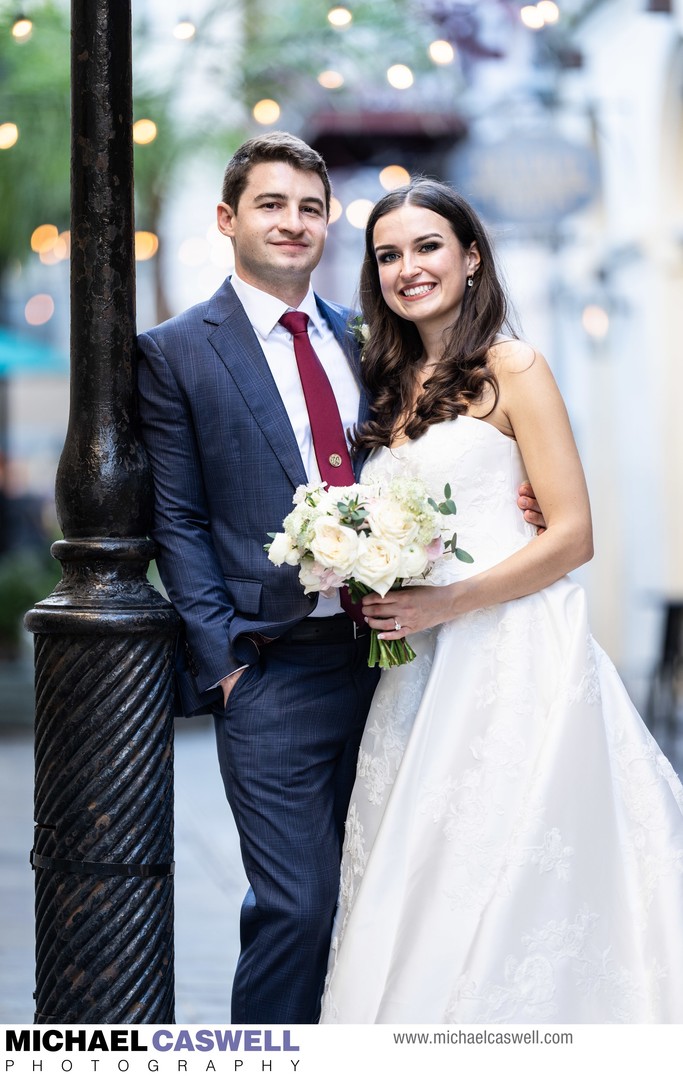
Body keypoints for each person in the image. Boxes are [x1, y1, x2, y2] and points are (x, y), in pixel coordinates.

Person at [136, 133, 544, 1024]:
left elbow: (433, 460)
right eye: (271, 204)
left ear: (328, 224)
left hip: (398, 664)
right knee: (298, 904)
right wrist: (227, 666)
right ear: (227, 218)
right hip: (271, 666)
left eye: (310, 207)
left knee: (386, 900)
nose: (292, 222)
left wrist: (512, 508)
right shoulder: (174, 351)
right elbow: (177, 519)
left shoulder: (371, 343)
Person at [319, 179, 683, 1024]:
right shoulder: (387, 383)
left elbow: (571, 533)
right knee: (424, 859)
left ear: (471, 255)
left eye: (427, 246)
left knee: (510, 853)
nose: (408, 267)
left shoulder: (512, 365)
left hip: (513, 650)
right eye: (387, 255)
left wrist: (446, 602)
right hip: (418, 669)